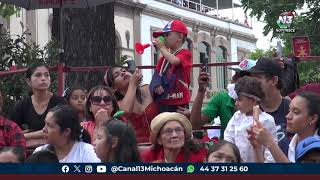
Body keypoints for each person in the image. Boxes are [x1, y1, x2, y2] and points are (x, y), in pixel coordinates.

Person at [191, 59, 255, 139]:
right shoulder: (222, 98)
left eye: (241, 75)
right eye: (235, 74)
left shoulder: (261, 102)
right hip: (227, 149)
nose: (233, 78)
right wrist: (201, 91)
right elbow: (195, 124)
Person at [248, 92, 320, 163]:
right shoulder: (285, 144)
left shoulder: (317, 149)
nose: (288, 116)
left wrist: (270, 143)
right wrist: (257, 148)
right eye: (289, 111)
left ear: (313, 118)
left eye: (296, 112)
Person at [9, 63, 66, 143]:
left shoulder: (60, 103)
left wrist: (26, 135)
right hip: (27, 150)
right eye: (38, 75)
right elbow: (11, 133)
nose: (43, 78)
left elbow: (60, 130)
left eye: (47, 75)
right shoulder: (21, 105)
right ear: (29, 81)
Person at [224, 76, 277, 162]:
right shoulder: (237, 117)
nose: (236, 103)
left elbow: (270, 151)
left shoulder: (267, 120)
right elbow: (228, 139)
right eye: (236, 100)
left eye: (239, 100)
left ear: (253, 100)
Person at [245, 58, 291, 154]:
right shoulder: (248, 111)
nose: (252, 83)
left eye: (257, 78)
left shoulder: (292, 111)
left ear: (273, 80)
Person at [104, 66, 159, 143]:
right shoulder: (116, 105)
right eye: (116, 75)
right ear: (113, 88)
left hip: (159, 144)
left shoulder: (147, 89)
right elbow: (126, 111)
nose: (123, 73)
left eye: (124, 70)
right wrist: (133, 84)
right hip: (135, 148)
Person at [149, 20, 192, 113]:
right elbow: (156, 76)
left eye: (167, 35)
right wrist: (156, 85)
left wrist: (162, 48)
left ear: (180, 37)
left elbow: (175, 61)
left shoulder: (185, 53)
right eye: (163, 36)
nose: (164, 38)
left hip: (179, 103)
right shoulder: (163, 59)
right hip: (164, 102)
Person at [34, 105, 100, 163]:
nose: (44, 129)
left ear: (66, 131)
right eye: (45, 124)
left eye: (50, 125)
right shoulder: (39, 152)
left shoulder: (87, 152)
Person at [141, 112, 207, 163]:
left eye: (178, 130)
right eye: (168, 131)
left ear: (184, 135)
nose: (174, 135)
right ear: (159, 140)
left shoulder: (198, 156)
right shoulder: (147, 157)